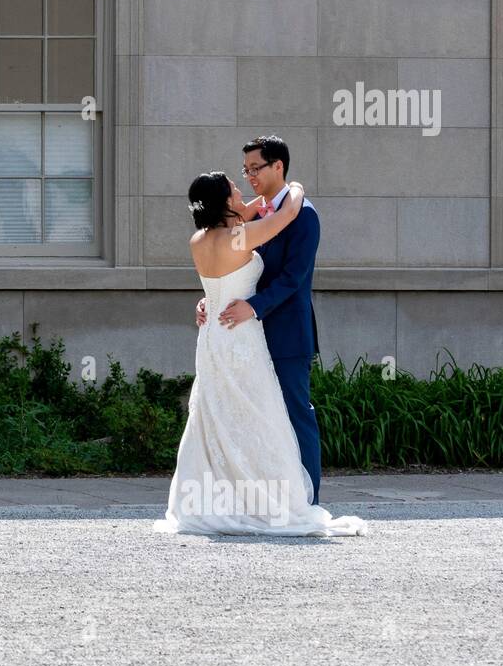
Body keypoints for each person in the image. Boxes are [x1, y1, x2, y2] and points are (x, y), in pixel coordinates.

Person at [154, 168, 368, 537]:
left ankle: (217, 499)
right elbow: (285, 215)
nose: (242, 192)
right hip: (240, 339)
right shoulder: (239, 237)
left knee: (216, 417)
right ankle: (268, 502)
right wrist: (295, 188)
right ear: (224, 202)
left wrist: (206, 301)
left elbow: (242, 227)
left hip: (211, 338)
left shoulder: (198, 239)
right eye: (234, 190)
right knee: (258, 414)